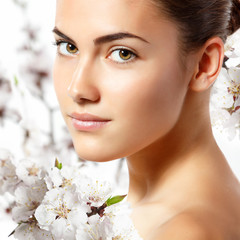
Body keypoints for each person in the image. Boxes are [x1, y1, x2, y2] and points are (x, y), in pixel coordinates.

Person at [52, 0, 240, 239]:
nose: (77, 89)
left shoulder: (186, 232)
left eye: (123, 53)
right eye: (68, 46)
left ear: (204, 64)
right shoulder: (170, 213)